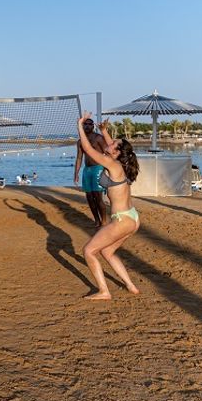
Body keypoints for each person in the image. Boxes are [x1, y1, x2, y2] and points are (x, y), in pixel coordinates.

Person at [77, 112, 141, 298]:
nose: (110, 143)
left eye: (114, 144)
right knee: (107, 251)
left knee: (89, 251)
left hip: (122, 220)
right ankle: (131, 286)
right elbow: (112, 145)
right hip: (132, 218)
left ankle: (104, 291)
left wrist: (80, 125)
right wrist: (104, 130)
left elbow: (87, 149)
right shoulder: (120, 164)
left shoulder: (112, 165)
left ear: (117, 152)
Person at [74, 117, 109, 228]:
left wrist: (107, 169)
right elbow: (79, 157)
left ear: (93, 126)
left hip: (98, 168)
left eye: (90, 124)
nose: (88, 126)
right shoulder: (80, 141)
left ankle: (104, 221)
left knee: (98, 196)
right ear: (82, 126)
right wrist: (76, 173)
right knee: (89, 197)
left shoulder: (98, 138)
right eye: (85, 124)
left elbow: (107, 153)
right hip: (87, 170)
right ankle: (97, 220)